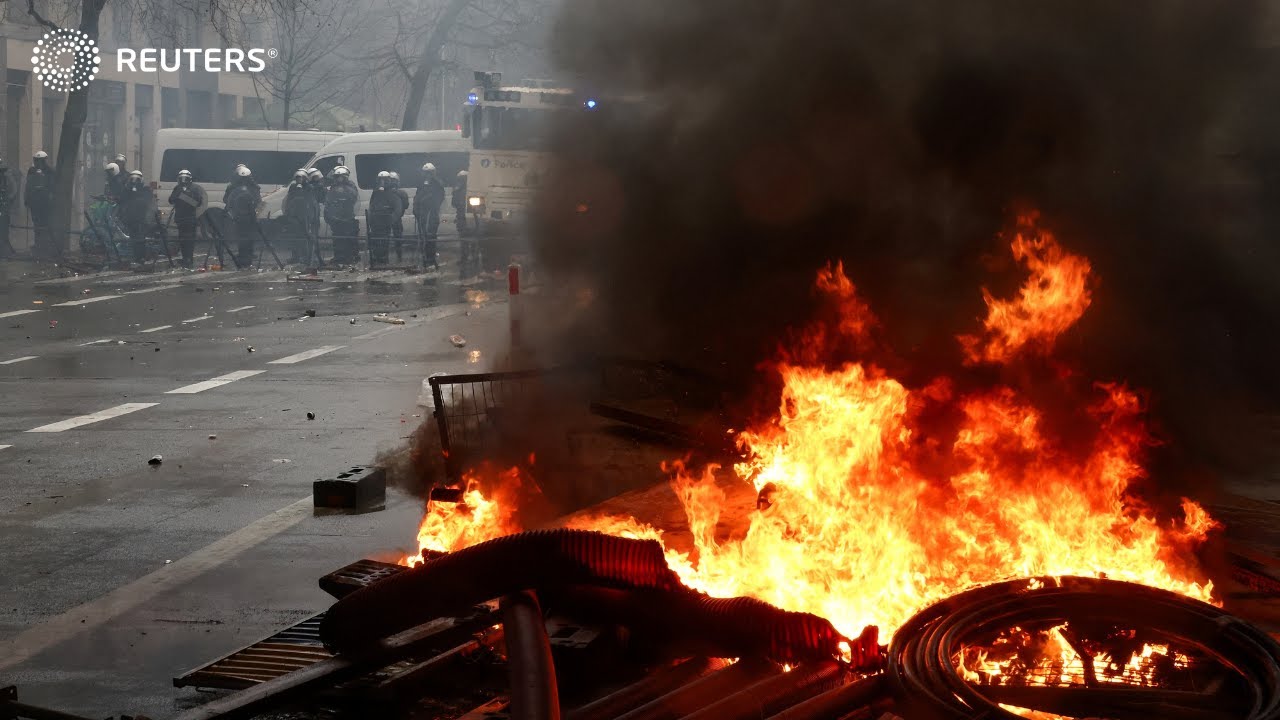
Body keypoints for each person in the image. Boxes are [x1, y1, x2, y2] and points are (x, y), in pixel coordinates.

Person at [223, 165, 262, 264]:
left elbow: (258, 202)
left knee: (245, 236)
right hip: (241, 216)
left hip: (245, 216)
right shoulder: (234, 187)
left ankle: (246, 254)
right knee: (244, 236)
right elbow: (227, 200)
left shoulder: (252, 187)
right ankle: (244, 254)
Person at [168, 169, 206, 268]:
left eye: (185, 179)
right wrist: (179, 194)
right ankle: (185, 259)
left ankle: (189, 259)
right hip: (181, 219)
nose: (183, 181)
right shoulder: (177, 188)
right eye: (182, 179)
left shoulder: (194, 189)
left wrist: (183, 196)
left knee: (189, 240)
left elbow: (197, 203)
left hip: (190, 219)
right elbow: (171, 200)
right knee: (182, 240)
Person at [324, 166, 359, 264]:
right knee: (337, 239)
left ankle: (350, 258)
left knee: (349, 239)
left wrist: (345, 191)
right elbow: (329, 199)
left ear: (345, 177)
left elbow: (354, 197)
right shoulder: (333, 187)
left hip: (348, 216)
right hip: (336, 217)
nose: (339, 179)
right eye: (337, 177)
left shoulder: (351, 186)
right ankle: (339, 257)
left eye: (340, 177)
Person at [414, 163, 446, 270]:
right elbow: (417, 197)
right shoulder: (421, 184)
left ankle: (431, 259)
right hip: (422, 214)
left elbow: (439, 198)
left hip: (432, 214)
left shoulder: (437, 184)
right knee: (423, 236)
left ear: (433, 173)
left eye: (429, 173)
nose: (427, 175)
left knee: (430, 236)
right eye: (425, 173)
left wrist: (430, 204)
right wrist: (416, 209)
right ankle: (424, 258)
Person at [367, 170, 402, 266]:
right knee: (375, 241)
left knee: (384, 241)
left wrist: (391, 220)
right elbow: (371, 206)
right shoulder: (376, 192)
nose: (382, 182)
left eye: (384, 180)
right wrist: (370, 218)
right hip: (375, 221)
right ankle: (376, 259)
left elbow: (397, 208)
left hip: (386, 220)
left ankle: (383, 260)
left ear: (388, 180)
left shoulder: (392, 192)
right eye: (380, 180)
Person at [119, 170, 154, 263]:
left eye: (137, 179)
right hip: (130, 219)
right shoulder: (127, 190)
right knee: (133, 239)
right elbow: (122, 200)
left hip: (141, 219)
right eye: (132, 179)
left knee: (140, 239)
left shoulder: (145, 190)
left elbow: (147, 202)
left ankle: (141, 257)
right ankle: (136, 257)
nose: (134, 182)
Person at [25, 151, 55, 256]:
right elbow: (28, 185)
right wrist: (27, 199)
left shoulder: (50, 171)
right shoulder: (31, 171)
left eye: (40, 161)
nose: (37, 162)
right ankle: (38, 243)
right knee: (36, 223)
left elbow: (52, 186)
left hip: (45, 202)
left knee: (45, 223)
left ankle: (46, 244)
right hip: (34, 201)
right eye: (36, 160)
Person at [283, 169, 315, 264]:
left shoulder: (309, 187)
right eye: (297, 178)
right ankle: (295, 256)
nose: (299, 180)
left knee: (304, 236)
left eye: (300, 178)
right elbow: (289, 199)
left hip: (304, 215)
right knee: (294, 236)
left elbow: (310, 201)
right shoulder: (293, 187)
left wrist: (310, 215)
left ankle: (305, 257)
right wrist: (288, 211)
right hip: (294, 215)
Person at [388, 171, 410, 263]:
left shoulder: (385, 192)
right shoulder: (401, 193)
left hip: (389, 218)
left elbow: (405, 205)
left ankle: (389, 258)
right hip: (395, 218)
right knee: (397, 238)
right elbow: (406, 205)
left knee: (392, 238)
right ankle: (398, 257)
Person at [0, 157, 14, 257]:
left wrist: (8, 199)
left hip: (4, 206)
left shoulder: (7, 178)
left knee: (4, 227)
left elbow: (13, 190)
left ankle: (4, 247)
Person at [452, 170, 470, 237]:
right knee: (461, 215)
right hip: (461, 203)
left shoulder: (460, 186)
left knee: (461, 215)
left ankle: (462, 229)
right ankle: (462, 229)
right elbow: (455, 194)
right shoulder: (460, 186)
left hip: (462, 204)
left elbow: (455, 193)